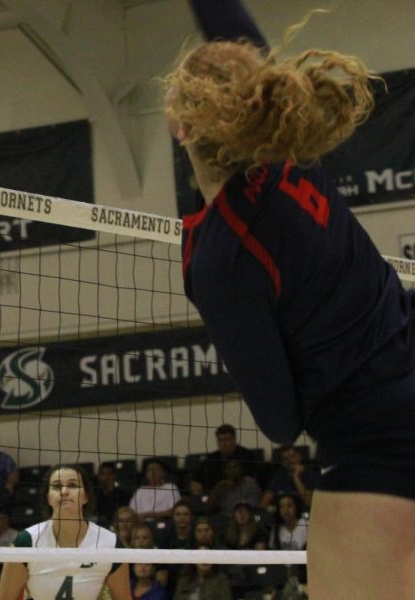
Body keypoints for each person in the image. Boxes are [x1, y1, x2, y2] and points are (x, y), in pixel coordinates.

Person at [171, 0, 415, 595]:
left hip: (376, 447)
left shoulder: (222, 259)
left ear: (180, 127)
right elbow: (232, 25)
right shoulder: (291, 149)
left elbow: (280, 420)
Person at [0, 464, 131, 600]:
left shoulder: (110, 544)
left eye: (72, 485)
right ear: (48, 498)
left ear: (85, 496)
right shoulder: (26, 541)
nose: (64, 491)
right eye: (56, 486)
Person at [189, 424, 258, 495]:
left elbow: (252, 481)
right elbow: (196, 481)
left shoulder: (247, 456)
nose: (224, 444)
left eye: (227, 439)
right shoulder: (211, 459)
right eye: (220, 440)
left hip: (241, 495)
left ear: (234, 439)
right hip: (215, 498)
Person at [259, 446, 317, 510]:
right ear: (283, 463)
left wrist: (296, 477)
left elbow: (310, 503)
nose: (290, 461)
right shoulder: (279, 476)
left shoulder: (310, 474)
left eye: (293, 456)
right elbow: (263, 503)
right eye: (286, 459)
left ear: (299, 456)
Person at [93, 463, 130, 529]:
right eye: (103, 474)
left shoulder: (123, 494)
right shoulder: (94, 495)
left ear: (114, 476)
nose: (106, 477)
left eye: (109, 474)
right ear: (98, 476)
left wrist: (110, 492)